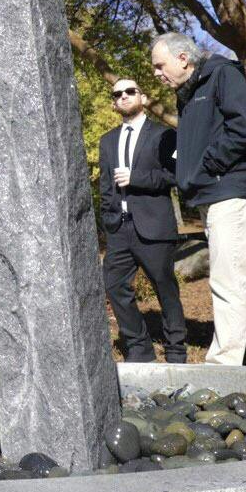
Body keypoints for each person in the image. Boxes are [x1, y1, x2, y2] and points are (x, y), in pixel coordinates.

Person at [150, 32, 246, 367]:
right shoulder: (188, 93)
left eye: (160, 65)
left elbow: (245, 126)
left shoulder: (222, 74)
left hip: (231, 194)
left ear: (182, 58)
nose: (156, 73)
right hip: (212, 196)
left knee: (226, 280)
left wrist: (209, 165)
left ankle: (223, 365)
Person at [95, 78, 188, 363]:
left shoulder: (164, 134)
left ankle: (176, 350)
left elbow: (176, 175)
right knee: (114, 286)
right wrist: (109, 218)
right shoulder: (107, 141)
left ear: (143, 98)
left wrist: (136, 178)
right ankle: (139, 348)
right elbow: (106, 186)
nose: (123, 96)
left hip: (154, 226)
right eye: (117, 94)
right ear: (114, 103)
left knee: (165, 287)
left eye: (129, 91)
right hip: (119, 228)